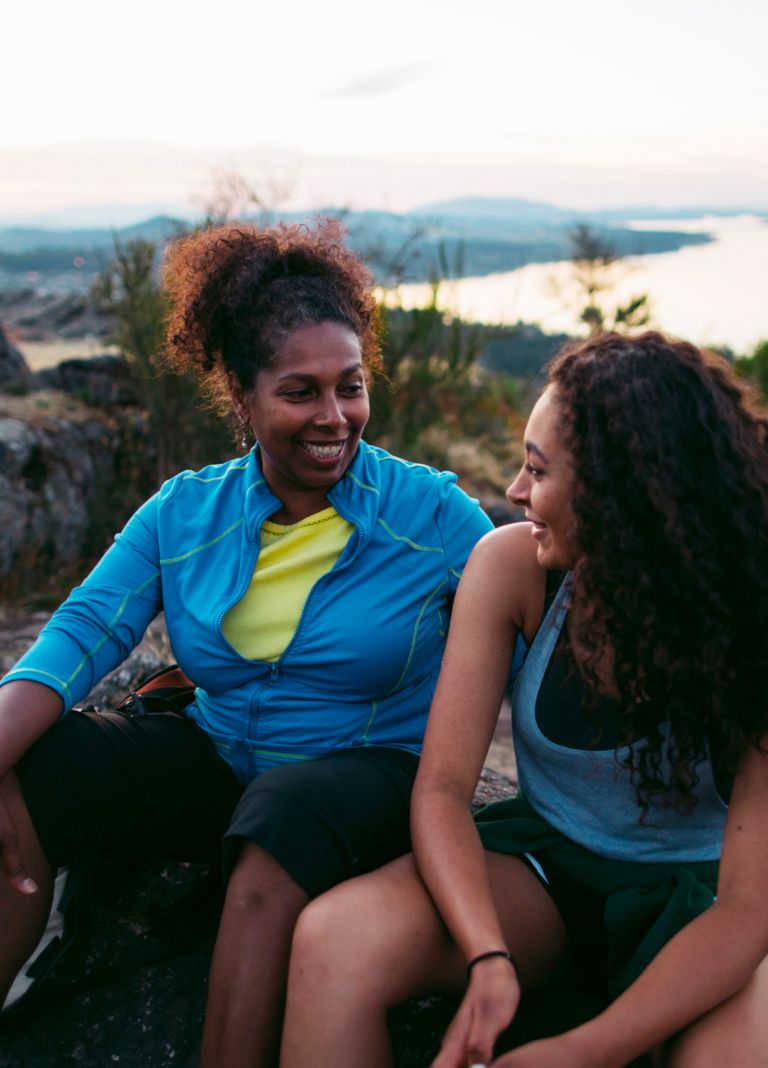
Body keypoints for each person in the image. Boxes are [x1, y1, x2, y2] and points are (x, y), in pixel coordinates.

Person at [0, 220, 495, 1067]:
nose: (335, 417)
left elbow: (530, 635)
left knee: (278, 825)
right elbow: (83, 631)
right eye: (300, 392)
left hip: (372, 769)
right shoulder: (184, 513)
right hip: (223, 755)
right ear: (242, 394)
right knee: (37, 768)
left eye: (352, 385)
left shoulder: (437, 519)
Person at [280, 330, 768, 1068]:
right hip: (545, 870)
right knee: (335, 939)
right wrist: (486, 956)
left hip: (703, 902)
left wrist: (583, 1049)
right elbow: (442, 790)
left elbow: (748, 908)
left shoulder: (752, 615)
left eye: (537, 471)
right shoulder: (512, 568)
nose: (512, 492)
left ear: (620, 492)